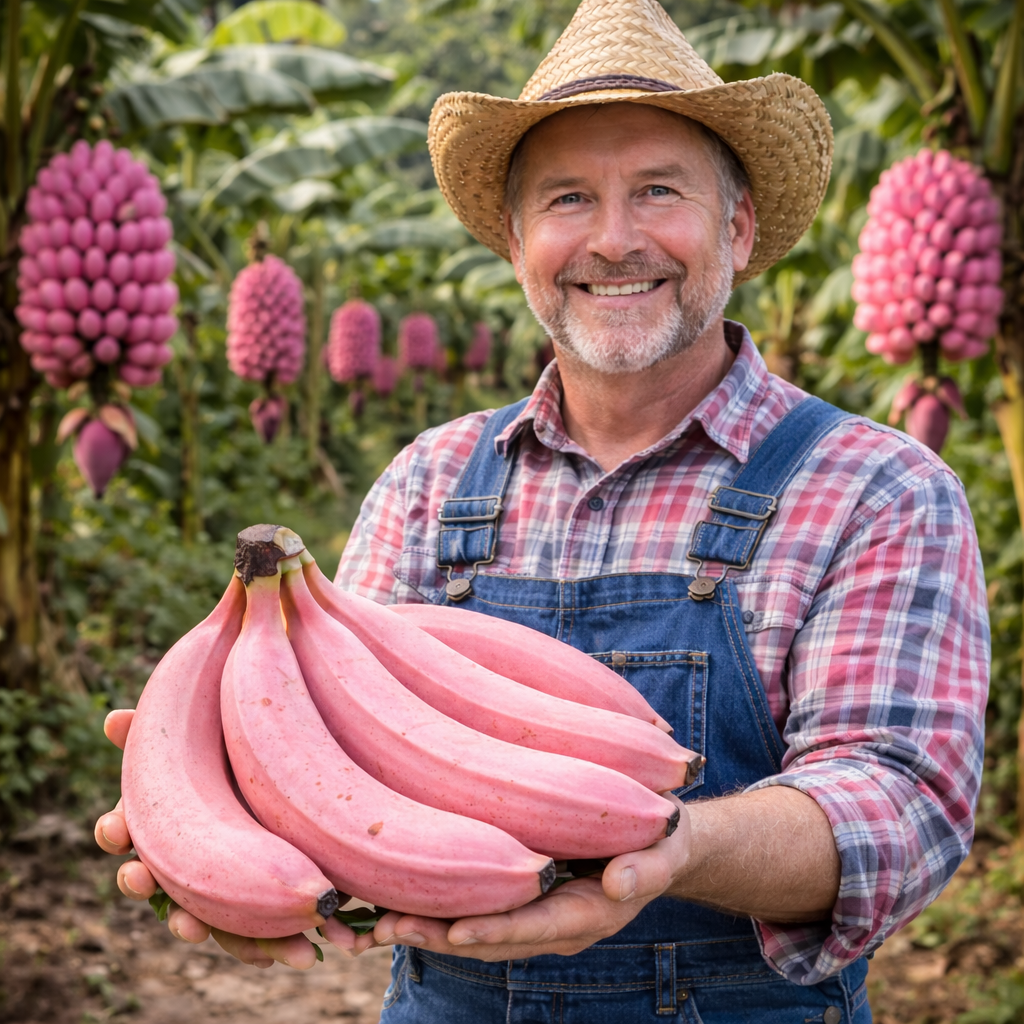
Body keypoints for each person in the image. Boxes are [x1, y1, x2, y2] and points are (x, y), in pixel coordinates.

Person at [95, 0, 990, 1020]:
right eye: (567, 199)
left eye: (658, 190)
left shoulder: (878, 488)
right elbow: (343, 764)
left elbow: (898, 804)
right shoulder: (430, 482)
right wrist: (231, 845)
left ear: (736, 224)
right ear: (516, 240)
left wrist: (674, 846)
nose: (613, 240)